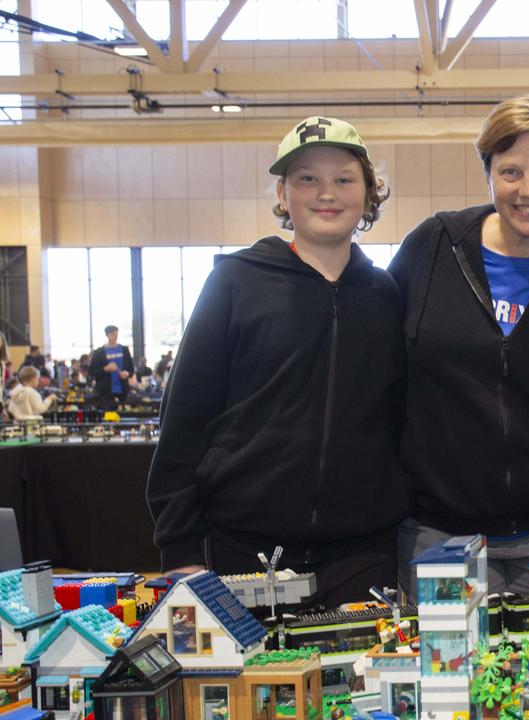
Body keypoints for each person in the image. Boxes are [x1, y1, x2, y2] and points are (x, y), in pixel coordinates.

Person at [147, 116, 407, 607]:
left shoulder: (386, 296)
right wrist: (180, 549)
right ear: (283, 194)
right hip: (241, 550)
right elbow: (184, 422)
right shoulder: (235, 284)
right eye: (307, 178)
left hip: (362, 556)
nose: (325, 193)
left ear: (369, 194)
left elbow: (398, 421)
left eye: (344, 179)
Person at [388, 96, 529, 598]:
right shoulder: (433, 249)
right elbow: (379, 369)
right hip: (440, 537)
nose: (528, 190)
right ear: (488, 173)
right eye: (510, 171)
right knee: (450, 677)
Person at [89, 325, 134, 407]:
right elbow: (92, 371)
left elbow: (131, 369)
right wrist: (105, 369)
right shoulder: (99, 352)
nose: (115, 336)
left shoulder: (124, 350)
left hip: (123, 389)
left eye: (116, 333)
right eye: (113, 334)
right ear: (107, 335)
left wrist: (127, 373)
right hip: (105, 391)